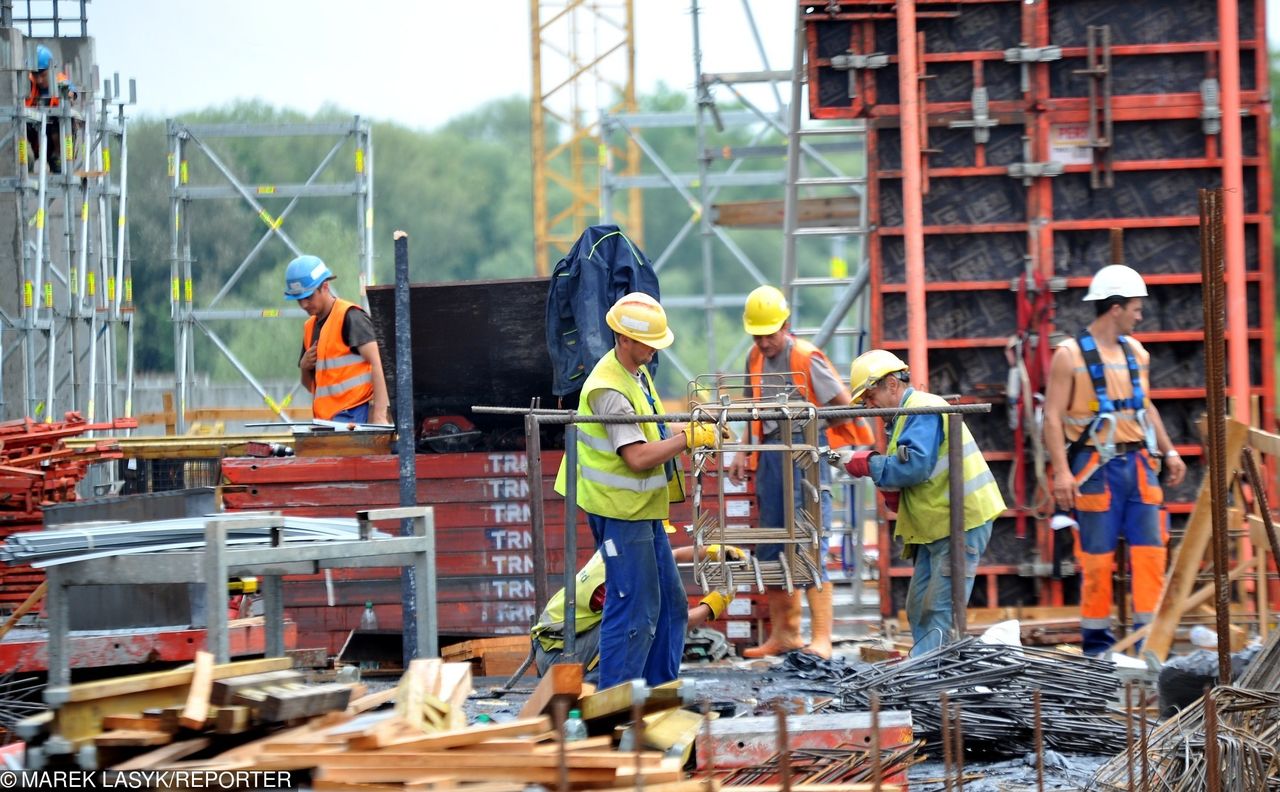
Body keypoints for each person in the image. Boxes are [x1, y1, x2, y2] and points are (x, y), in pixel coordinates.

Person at [553, 292, 718, 689]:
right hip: (619, 512)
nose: (654, 350)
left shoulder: (635, 374)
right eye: (648, 342)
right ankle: (617, 700)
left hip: (639, 509)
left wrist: (690, 430)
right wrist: (689, 439)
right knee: (631, 609)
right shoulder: (607, 388)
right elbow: (638, 457)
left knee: (670, 607)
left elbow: (653, 431)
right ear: (623, 338)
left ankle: (660, 690)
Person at [1043, 264, 1186, 656]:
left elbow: (1145, 406)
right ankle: (1098, 651)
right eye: (1136, 308)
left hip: (1139, 465)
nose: (1140, 315)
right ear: (1116, 307)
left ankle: (1149, 649)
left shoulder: (1136, 353)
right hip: (1094, 471)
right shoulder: (1069, 356)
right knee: (1095, 563)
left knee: (1150, 558)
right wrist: (1061, 474)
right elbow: (1052, 417)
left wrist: (1169, 450)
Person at [727, 285, 872, 660]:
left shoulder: (807, 357)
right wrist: (745, 451)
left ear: (786, 325)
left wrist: (831, 441)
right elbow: (753, 410)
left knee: (809, 541)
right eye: (757, 335)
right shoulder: (754, 359)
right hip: (773, 457)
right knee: (773, 544)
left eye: (769, 334)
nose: (763, 342)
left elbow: (844, 406)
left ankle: (821, 638)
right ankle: (786, 634)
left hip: (807, 454)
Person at [832, 349, 1006, 655]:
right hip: (938, 524)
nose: (868, 406)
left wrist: (867, 463)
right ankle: (927, 669)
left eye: (870, 396)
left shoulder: (922, 410)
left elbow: (915, 467)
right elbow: (913, 471)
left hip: (962, 521)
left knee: (938, 610)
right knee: (918, 607)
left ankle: (929, 678)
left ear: (892, 384)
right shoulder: (905, 417)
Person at [531, 542, 744, 678]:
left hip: (556, 642)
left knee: (638, 620)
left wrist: (708, 551)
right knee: (639, 625)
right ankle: (602, 683)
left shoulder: (618, 549)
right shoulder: (622, 581)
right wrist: (715, 603)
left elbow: (670, 555)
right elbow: (668, 624)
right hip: (557, 659)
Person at [284, 254, 389, 424]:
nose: (304, 305)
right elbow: (311, 385)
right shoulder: (310, 327)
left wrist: (379, 415)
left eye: (308, 297)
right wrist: (304, 367)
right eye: (298, 300)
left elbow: (380, 363)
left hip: (355, 414)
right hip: (326, 421)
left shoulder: (350, 317)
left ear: (325, 287)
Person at [25, 44, 76, 174]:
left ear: (51, 69)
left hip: (53, 139)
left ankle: (58, 161)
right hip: (33, 135)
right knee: (25, 158)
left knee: (63, 120)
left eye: (43, 74)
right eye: (35, 75)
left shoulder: (60, 82)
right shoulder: (26, 83)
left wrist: (69, 96)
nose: (39, 79)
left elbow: (71, 92)